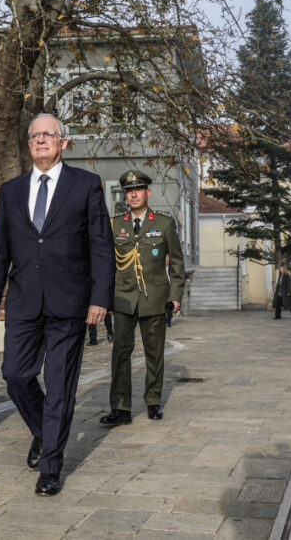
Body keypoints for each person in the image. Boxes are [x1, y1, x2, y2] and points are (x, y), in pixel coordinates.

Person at [0, 114, 114, 497]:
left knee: (59, 387)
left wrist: (100, 298)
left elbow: (101, 246)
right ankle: (44, 432)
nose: (41, 140)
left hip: (69, 303)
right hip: (23, 301)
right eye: (35, 136)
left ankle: (51, 466)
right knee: (16, 375)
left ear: (63, 143)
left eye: (48, 135)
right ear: (29, 145)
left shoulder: (85, 185)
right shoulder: (11, 191)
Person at [100, 169, 185, 426]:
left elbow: (178, 264)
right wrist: (105, 298)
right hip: (124, 297)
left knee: (154, 353)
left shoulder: (164, 224)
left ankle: (153, 401)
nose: (133, 194)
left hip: (155, 298)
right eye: (129, 190)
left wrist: (176, 295)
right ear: (125, 194)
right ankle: (121, 408)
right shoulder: (115, 225)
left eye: (138, 190)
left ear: (148, 192)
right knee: (120, 352)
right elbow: (106, 264)